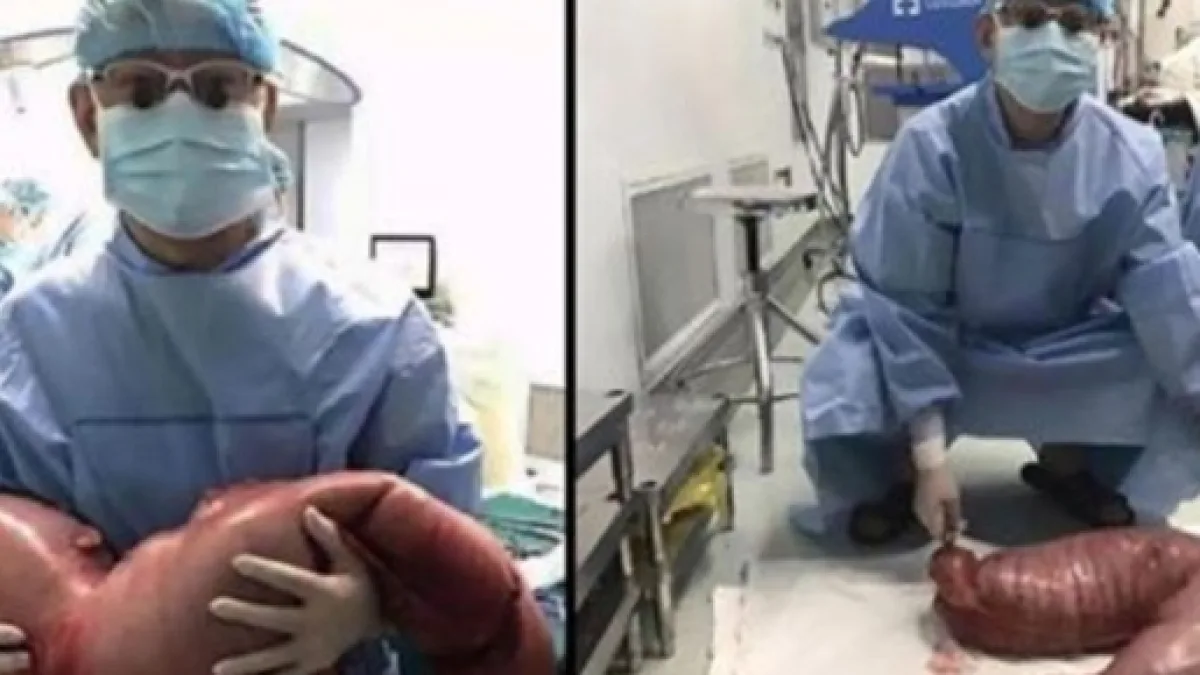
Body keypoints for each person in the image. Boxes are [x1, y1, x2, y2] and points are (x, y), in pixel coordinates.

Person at [0, 1, 481, 674]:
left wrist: (372, 606)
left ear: (266, 104)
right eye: (141, 90)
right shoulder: (27, 337)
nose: (180, 120)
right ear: (87, 115)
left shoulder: (373, 329)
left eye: (217, 88)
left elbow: (454, 553)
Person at [799, 0, 1200, 547]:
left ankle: (1070, 462)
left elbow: (1165, 294)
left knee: (1159, 361)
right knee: (853, 365)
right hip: (951, 342)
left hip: (1066, 346)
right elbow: (907, 306)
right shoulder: (934, 146)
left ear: (1099, 41)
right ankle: (898, 477)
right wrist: (930, 457)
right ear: (987, 36)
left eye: (1075, 23)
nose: (1054, 38)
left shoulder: (1131, 153)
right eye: (1031, 19)